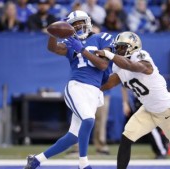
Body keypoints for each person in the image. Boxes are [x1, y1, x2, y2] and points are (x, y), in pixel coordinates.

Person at [95, 31, 170, 169]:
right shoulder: (118, 65)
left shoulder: (141, 56)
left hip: (166, 109)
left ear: (133, 47)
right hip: (147, 109)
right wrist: (88, 87)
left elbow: (135, 67)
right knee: (126, 138)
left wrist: (109, 55)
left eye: (122, 47)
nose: (118, 51)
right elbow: (109, 83)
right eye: (117, 48)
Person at [23, 10, 114, 169]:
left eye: (81, 22)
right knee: (89, 120)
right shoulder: (70, 42)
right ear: (70, 27)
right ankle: (83, 164)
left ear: (88, 22)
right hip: (77, 87)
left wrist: (82, 50)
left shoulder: (102, 38)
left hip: (94, 91)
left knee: (72, 137)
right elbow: (53, 48)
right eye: (75, 24)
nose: (78, 26)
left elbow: (103, 65)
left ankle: (36, 160)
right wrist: (53, 32)